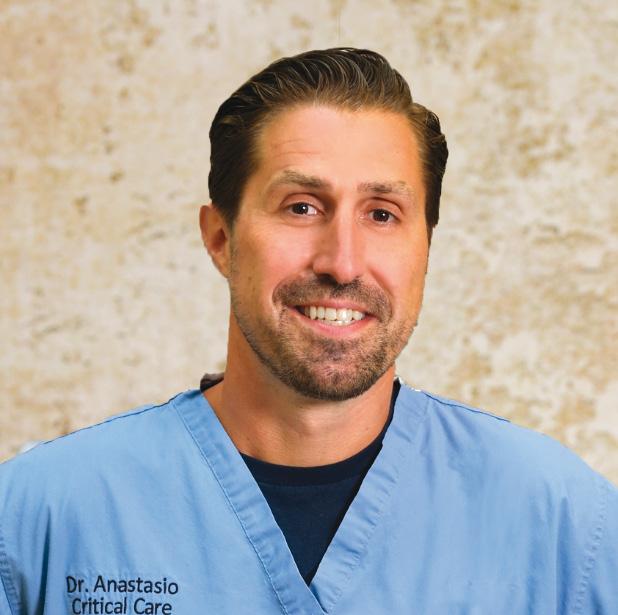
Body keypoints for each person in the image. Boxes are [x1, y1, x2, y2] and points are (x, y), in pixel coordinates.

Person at [0, 48, 616, 615]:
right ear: (221, 238)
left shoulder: (567, 527)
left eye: (382, 214)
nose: (342, 263)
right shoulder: (37, 520)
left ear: (426, 248)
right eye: (301, 207)